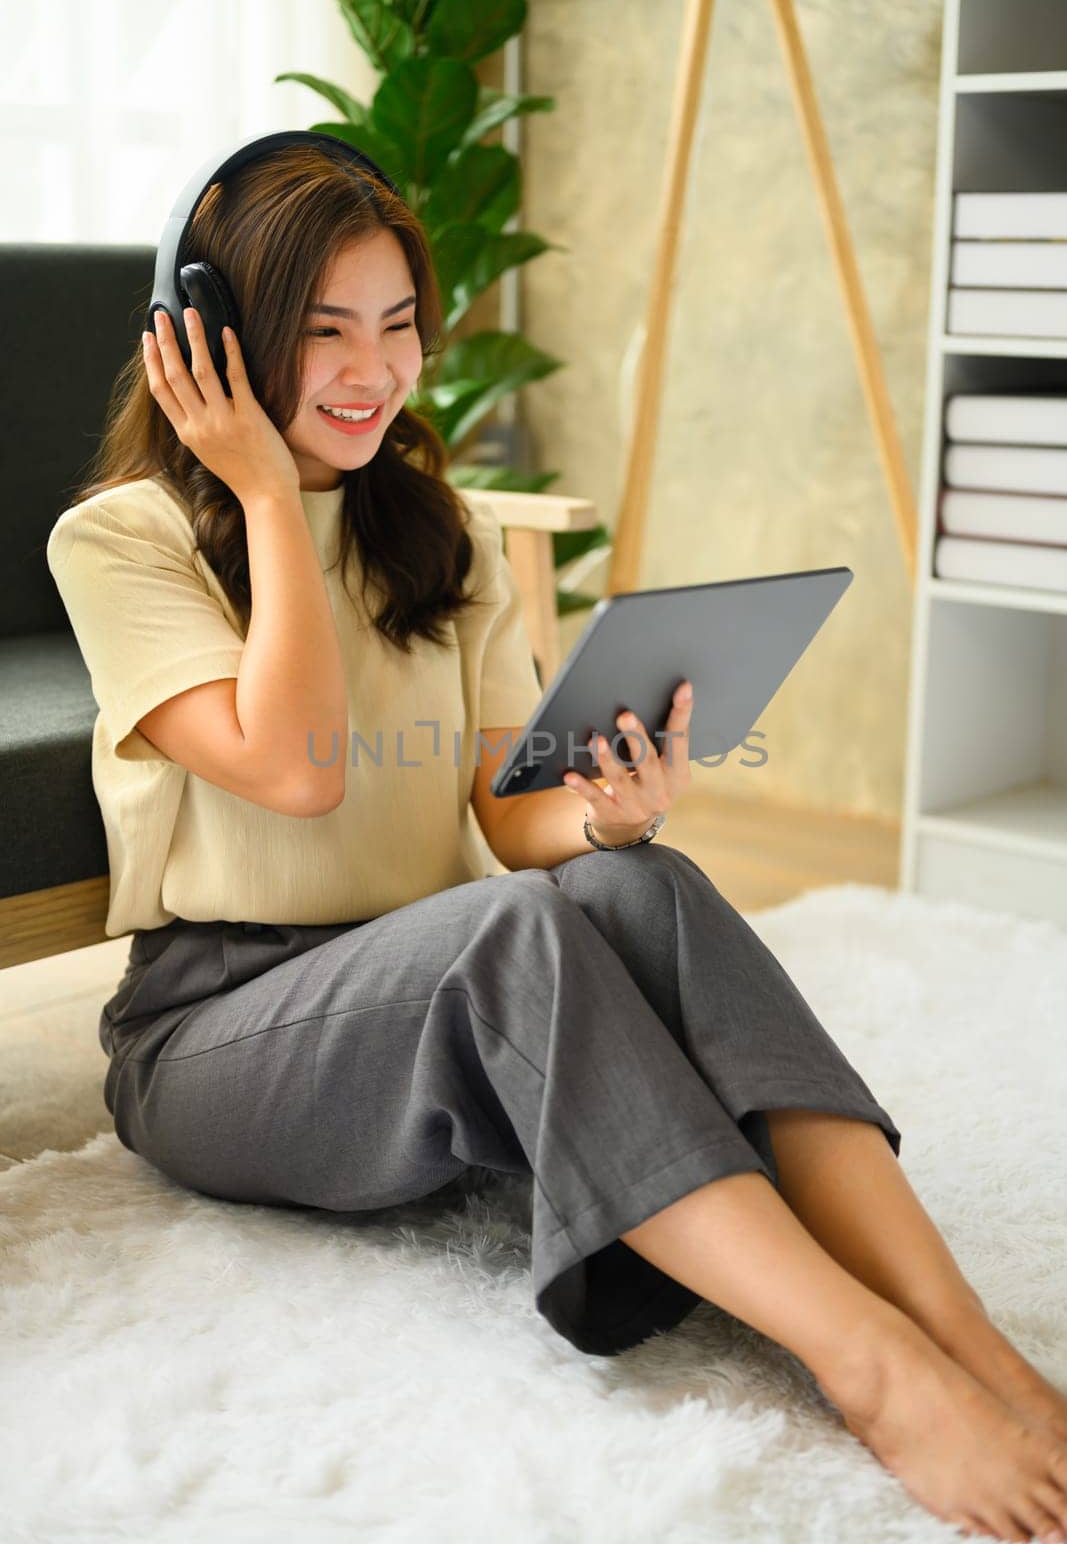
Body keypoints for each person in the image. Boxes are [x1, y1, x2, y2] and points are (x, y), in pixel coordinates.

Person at [46, 142, 1067, 1544]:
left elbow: (503, 815)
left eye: (399, 326)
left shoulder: (437, 534)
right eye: (324, 329)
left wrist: (604, 811)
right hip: (217, 1031)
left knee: (636, 885)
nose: (372, 369)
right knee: (512, 932)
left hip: (426, 986)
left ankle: (969, 1340)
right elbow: (295, 765)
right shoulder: (122, 539)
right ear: (213, 343)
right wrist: (273, 500)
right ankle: (873, 1367)